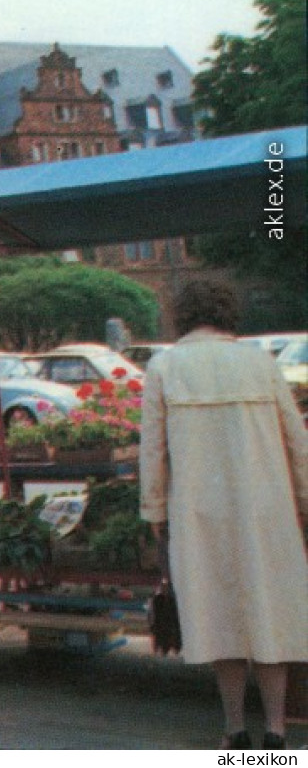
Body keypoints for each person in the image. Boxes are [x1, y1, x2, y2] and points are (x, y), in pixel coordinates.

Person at [139, 280, 307, 751]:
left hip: (199, 516)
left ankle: (235, 731)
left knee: (219, 619)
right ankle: (276, 731)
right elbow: (298, 443)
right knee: (272, 616)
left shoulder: (165, 366)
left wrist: (154, 511)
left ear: (182, 315)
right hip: (267, 511)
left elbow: (152, 450)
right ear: (228, 313)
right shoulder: (260, 362)